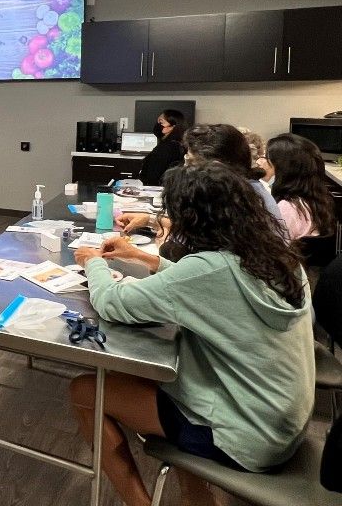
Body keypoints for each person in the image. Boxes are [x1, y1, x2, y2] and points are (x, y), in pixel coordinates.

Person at [72, 162, 314, 506]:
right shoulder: (276, 257)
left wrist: (92, 261)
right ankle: (197, 499)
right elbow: (213, 287)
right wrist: (145, 259)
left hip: (244, 434)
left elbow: (111, 302)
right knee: (150, 379)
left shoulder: (206, 269)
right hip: (282, 420)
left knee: (84, 390)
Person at [118, 123, 284, 236]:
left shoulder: (241, 201)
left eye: (190, 161)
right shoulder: (246, 188)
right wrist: (151, 220)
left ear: (215, 166)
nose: (186, 168)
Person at [266, 133, 335, 240]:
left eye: (269, 162)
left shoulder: (287, 209)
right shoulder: (320, 201)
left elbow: (270, 249)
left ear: (283, 170)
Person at [136, 110, 186, 186]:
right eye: (158, 122)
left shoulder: (166, 148)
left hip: (157, 189)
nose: (158, 125)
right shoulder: (177, 144)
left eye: (161, 122)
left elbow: (153, 175)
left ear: (172, 127)